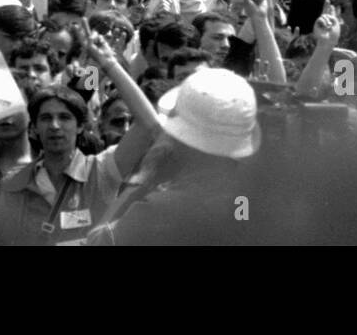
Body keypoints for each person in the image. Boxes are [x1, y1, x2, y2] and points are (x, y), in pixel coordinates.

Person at [0, 34, 159, 244]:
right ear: (33, 128)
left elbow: (148, 126)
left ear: (82, 126)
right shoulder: (15, 183)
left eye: (64, 118)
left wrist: (107, 63)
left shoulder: (100, 170)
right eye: (46, 119)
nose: (55, 126)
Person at [85, 68, 260, 245]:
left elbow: (99, 241)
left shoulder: (158, 210)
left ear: (182, 138)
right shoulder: (247, 200)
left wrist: (141, 179)